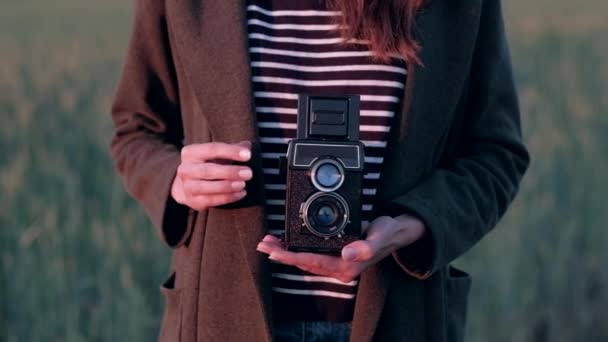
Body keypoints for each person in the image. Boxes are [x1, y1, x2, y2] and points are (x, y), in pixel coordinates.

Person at [110, 0, 529, 341]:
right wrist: (177, 180)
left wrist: (415, 224)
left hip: (396, 317)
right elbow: (136, 130)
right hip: (223, 316)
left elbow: (496, 154)